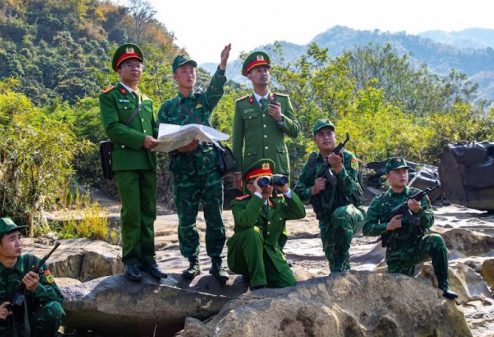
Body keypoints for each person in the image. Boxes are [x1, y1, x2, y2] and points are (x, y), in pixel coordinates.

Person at [157, 45, 231, 281]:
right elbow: (161, 140)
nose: (190, 74)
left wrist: (222, 66)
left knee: (215, 218)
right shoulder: (168, 108)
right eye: (184, 70)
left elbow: (217, 90)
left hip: (209, 169)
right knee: (186, 220)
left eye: (193, 71)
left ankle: (218, 262)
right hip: (183, 172)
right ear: (175, 76)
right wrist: (179, 146)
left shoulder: (204, 100)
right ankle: (192, 262)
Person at [99, 43, 166, 282]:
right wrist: (142, 139)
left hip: (148, 162)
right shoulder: (110, 96)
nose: (135, 69)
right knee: (132, 213)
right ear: (119, 70)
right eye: (129, 65)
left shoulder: (146, 100)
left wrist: (173, 138)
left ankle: (149, 259)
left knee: (149, 213)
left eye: (138, 65)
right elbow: (113, 128)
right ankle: (131, 260)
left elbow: (156, 130)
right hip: (126, 161)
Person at [363, 157, 458, 300]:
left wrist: (418, 211)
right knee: (400, 295)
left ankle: (444, 286)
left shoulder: (416, 196)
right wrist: (387, 226)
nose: (402, 175)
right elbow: (367, 229)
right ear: (388, 176)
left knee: (436, 240)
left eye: (404, 172)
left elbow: (429, 221)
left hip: (417, 245)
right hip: (396, 253)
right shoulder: (380, 201)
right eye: (397, 172)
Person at [294, 119, 366, 273]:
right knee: (336, 266)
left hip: (353, 213)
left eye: (329, 133)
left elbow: (350, 189)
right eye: (321, 134)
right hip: (326, 219)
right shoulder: (311, 164)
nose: (326, 137)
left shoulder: (347, 158)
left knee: (342, 215)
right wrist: (312, 190)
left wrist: (339, 168)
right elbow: (298, 192)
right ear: (315, 140)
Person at [227, 159, 306, 289]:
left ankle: (264, 273)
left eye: (269, 182)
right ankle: (258, 284)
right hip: (243, 258)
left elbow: (300, 213)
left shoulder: (277, 203)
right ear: (250, 187)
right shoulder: (239, 204)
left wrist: (285, 190)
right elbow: (246, 222)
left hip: (271, 257)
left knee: (289, 285)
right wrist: (258, 195)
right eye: (261, 182)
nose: (266, 186)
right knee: (253, 232)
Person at [232, 51, 300, 189]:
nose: (264, 73)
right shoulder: (242, 105)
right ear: (249, 76)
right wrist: (238, 171)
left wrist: (280, 118)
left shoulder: (282, 101)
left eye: (266, 70)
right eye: (258, 70)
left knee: (280, 207)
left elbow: (295, 131)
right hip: (253, 166)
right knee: (255, 207)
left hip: (278, 165)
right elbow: (237, 142)